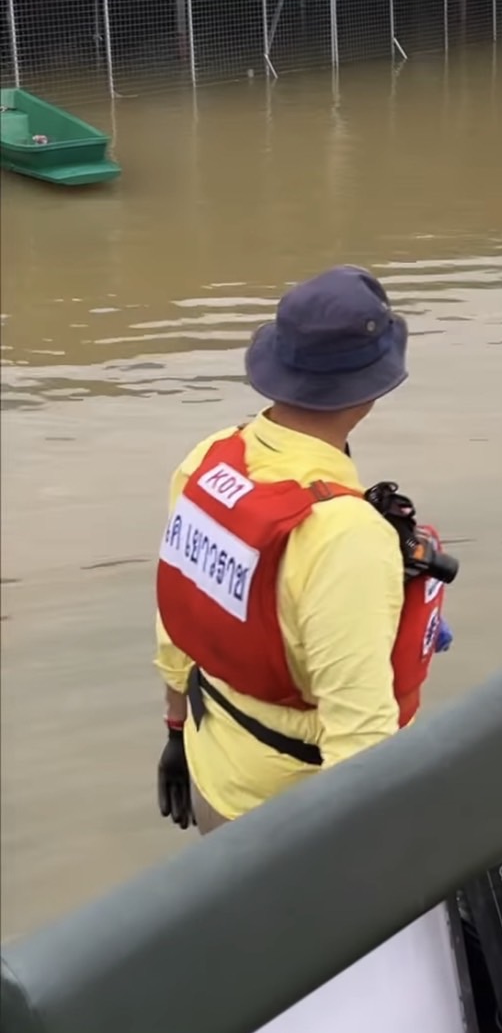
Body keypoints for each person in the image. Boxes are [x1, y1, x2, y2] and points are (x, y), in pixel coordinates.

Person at [154, 265, 451, 834]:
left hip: (213, 770)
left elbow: (176, 623)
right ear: (372, 390)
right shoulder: (345, 536)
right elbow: (360, 746)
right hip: (290, 826)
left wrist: (174, 730)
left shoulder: (211, 460)